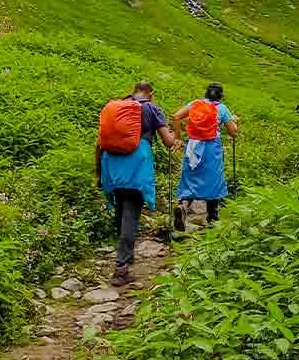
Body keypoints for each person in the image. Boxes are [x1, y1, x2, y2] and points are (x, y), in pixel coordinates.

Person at [95, 81, 180, 283]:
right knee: (131, 213)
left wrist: (99, 173)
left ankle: (126, 255)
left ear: (133, 92)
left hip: (111, 162)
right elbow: (168, 142)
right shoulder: (151, 108)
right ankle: (121, 268)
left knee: (121, 207)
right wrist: (177, 136)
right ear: (151, 94)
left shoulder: (117, 107)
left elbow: (99, 143)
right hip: (137, 162)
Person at [172, 82, 240, 230]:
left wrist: (177, 137)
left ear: (206, 93)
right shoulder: (222, 108)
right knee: (213, 180)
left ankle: (183, 206)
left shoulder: (195, 104)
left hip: (193, 146)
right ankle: (212, 219)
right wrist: (235, 121)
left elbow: (176, 116)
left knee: (190, 177)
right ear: (221, 96)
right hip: (211, 147)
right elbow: (233, 132)